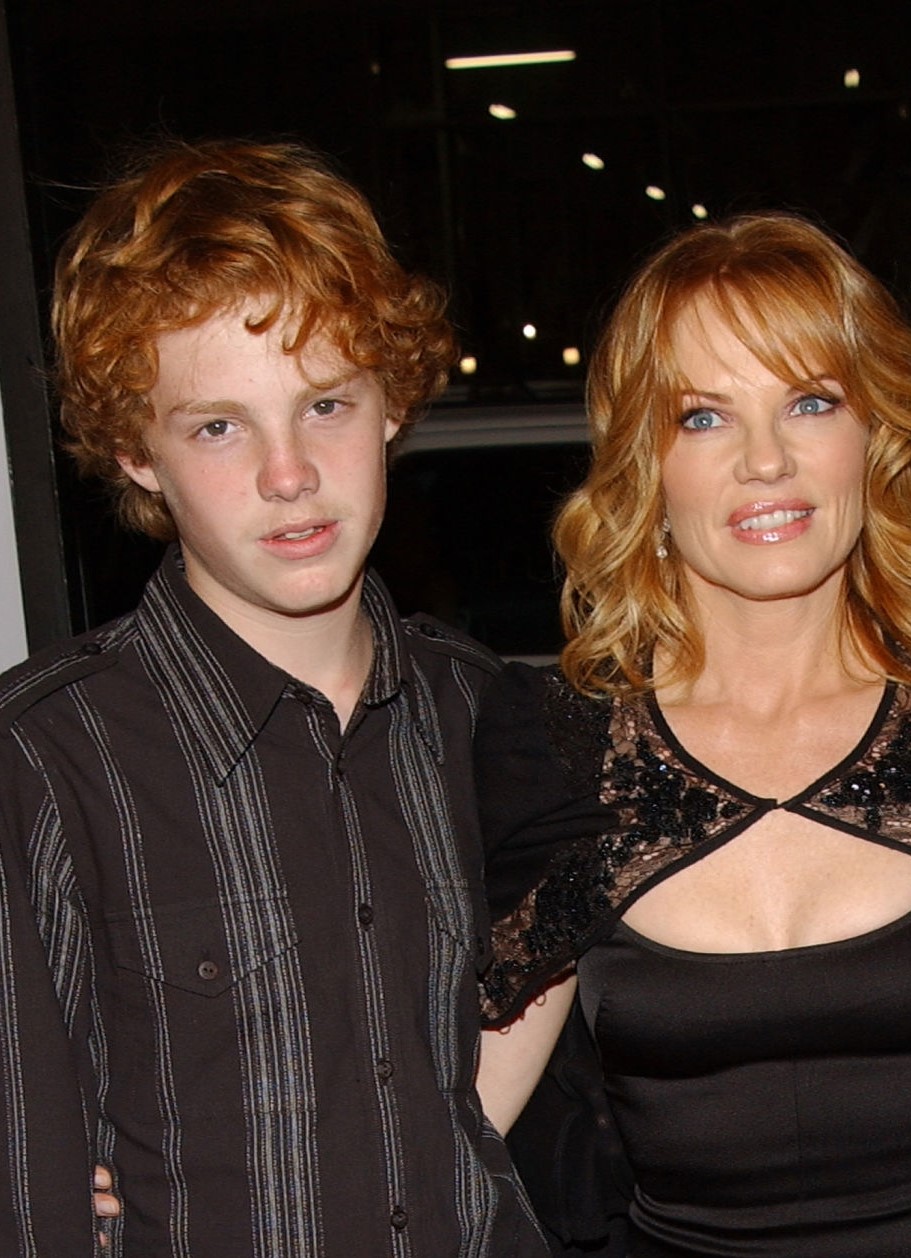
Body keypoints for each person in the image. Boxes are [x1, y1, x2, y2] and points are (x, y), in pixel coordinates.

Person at [472, 211, 911, 1257]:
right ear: (647, 465)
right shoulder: (561, 760)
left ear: (872, 434)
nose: (763, 460)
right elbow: (431, 1135)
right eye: (702, 417)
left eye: (808, 401)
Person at [0, 140, 546, 1255]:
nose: (287, 472)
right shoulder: (46, 759)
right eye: (217, 425)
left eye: (326, 406)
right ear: (135, 451)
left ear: (393, 401)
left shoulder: (484, 717)